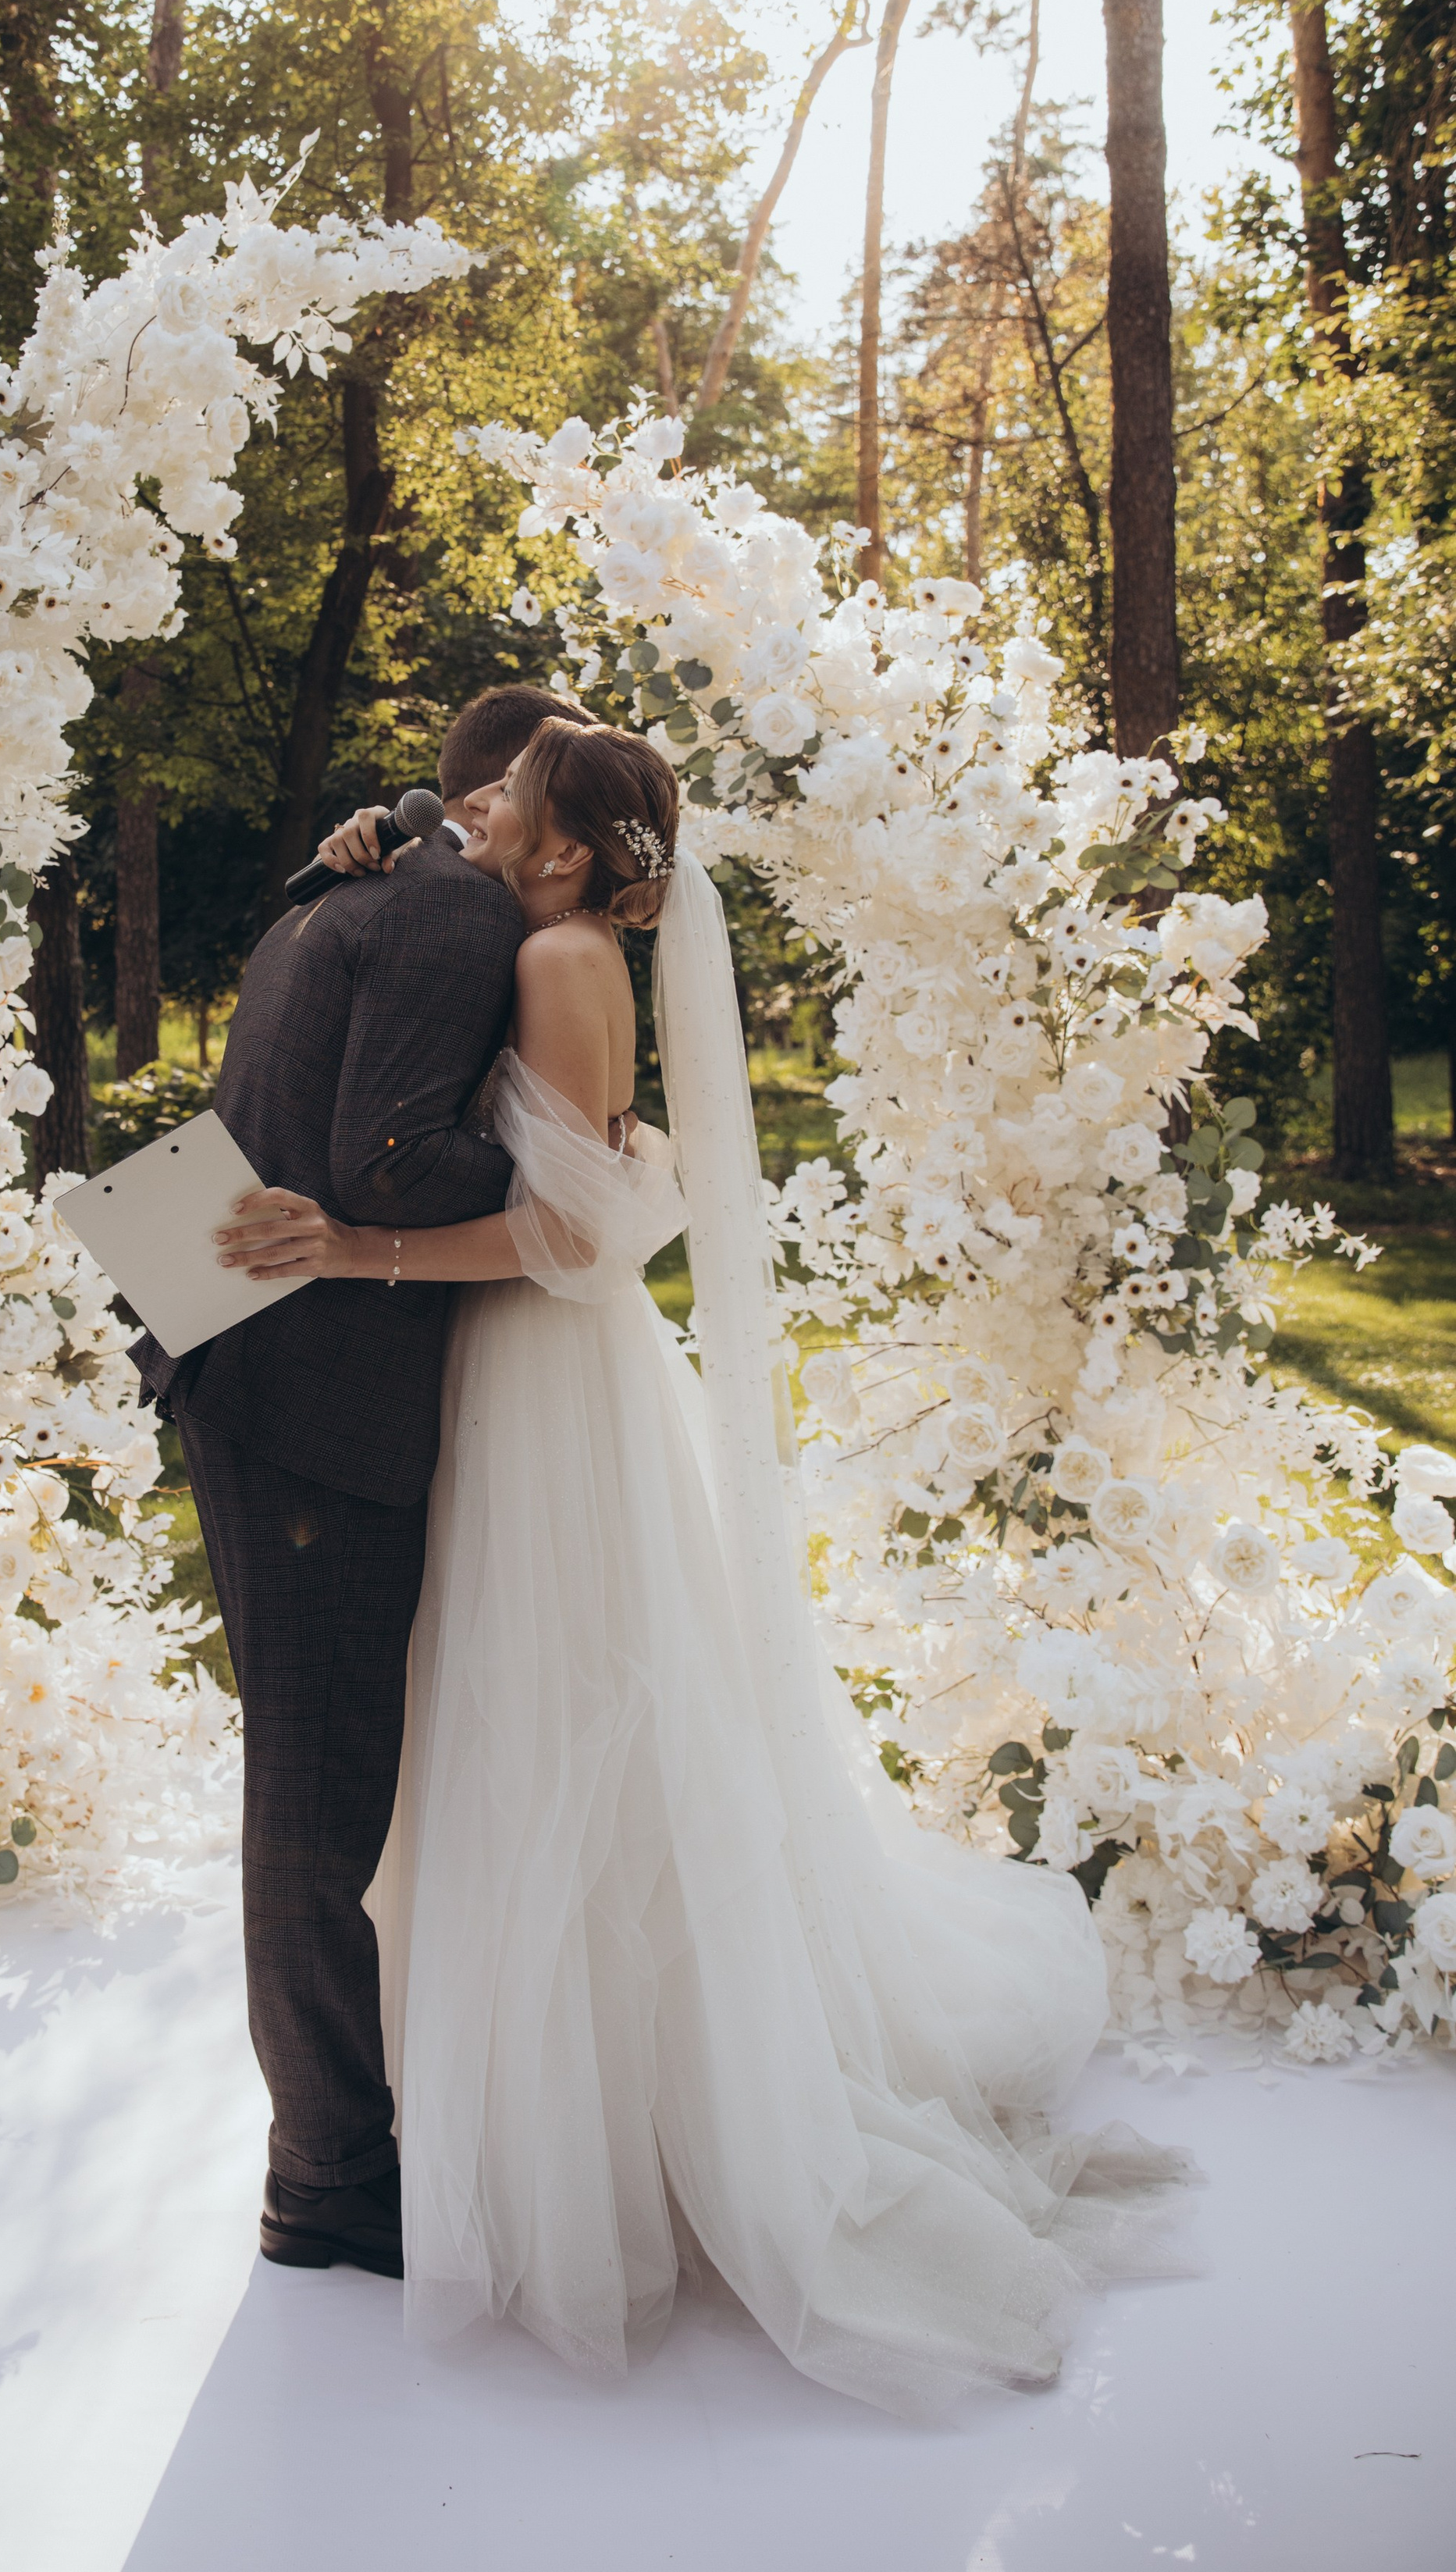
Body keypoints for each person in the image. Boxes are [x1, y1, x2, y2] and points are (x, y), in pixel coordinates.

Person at [214, 716, 1192, 2417]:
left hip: (534, 1364)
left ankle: (602, 2111)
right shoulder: (498, 918)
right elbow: (579, 1174)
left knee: (582, 1712)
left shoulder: (562, 954)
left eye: (511, 789)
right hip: (475, 1363)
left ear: (573, 849)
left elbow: (571, 1230)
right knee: (510, 1724)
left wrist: (386, 1227)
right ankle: (497, 2104)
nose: (479, 798)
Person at [131, 682, 593, 2284]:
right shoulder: (453, 909)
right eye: (562, 775)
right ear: (512, 788)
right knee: (316, 1796)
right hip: (309, 1385)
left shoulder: (373, 871)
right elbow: (381, 1166)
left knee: (313, 1772)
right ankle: (325, 2171)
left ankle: (329, 2138)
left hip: (236, 1345)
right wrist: (575, 1163)